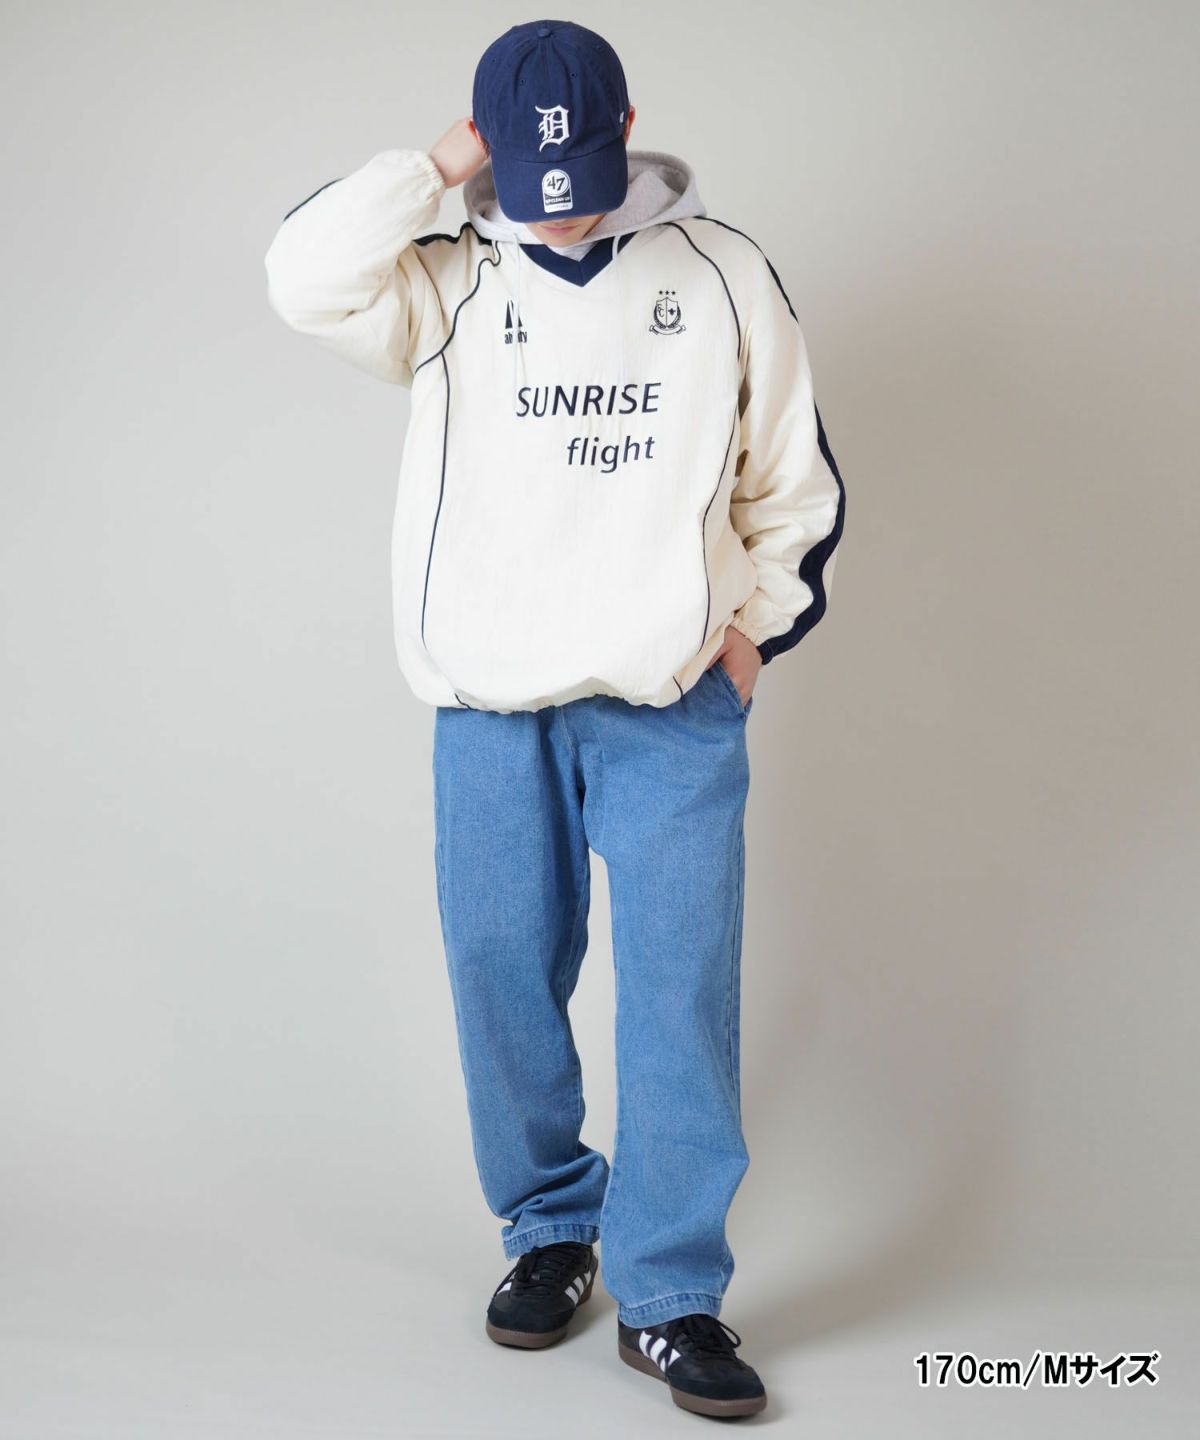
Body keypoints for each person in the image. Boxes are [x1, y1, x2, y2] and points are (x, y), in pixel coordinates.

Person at [264, 18, 845, 1422]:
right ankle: (550, 1226)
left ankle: (671, 1294)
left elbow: (794, 479)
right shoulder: (450, 274)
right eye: (532, 187)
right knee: (500, 975)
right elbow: (300, 274)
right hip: (491, 704)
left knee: (678, 996)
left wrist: (751, 634)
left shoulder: (722, 274)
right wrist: (440, 165)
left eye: (580, 178)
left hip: (667, 705)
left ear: (625, 126)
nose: (563, 211)